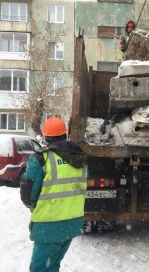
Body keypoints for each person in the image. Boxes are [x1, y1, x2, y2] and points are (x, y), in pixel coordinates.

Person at [20, 117, 88, 272]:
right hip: (72, 223)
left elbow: (27, 193)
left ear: (45, 137)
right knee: (53, 264)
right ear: (65, 135)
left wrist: (32, 206)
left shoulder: (40, 158)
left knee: (40, 268)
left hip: (49, 225)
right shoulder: (81, 159)